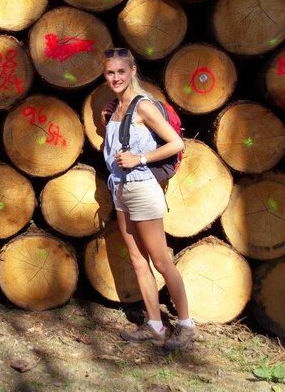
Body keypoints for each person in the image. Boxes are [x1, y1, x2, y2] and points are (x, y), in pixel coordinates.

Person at [101, 47, 197, 350]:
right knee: (137, 260)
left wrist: (140, 158)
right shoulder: (115, 108)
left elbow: (175, 142)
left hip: (142, 188)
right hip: (120, 188)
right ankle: (155, 326)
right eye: (110, 72)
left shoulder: (142, 106)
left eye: (120, 71)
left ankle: (185, 325)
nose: (115, 77)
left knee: (160, 260)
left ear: (132, 71)